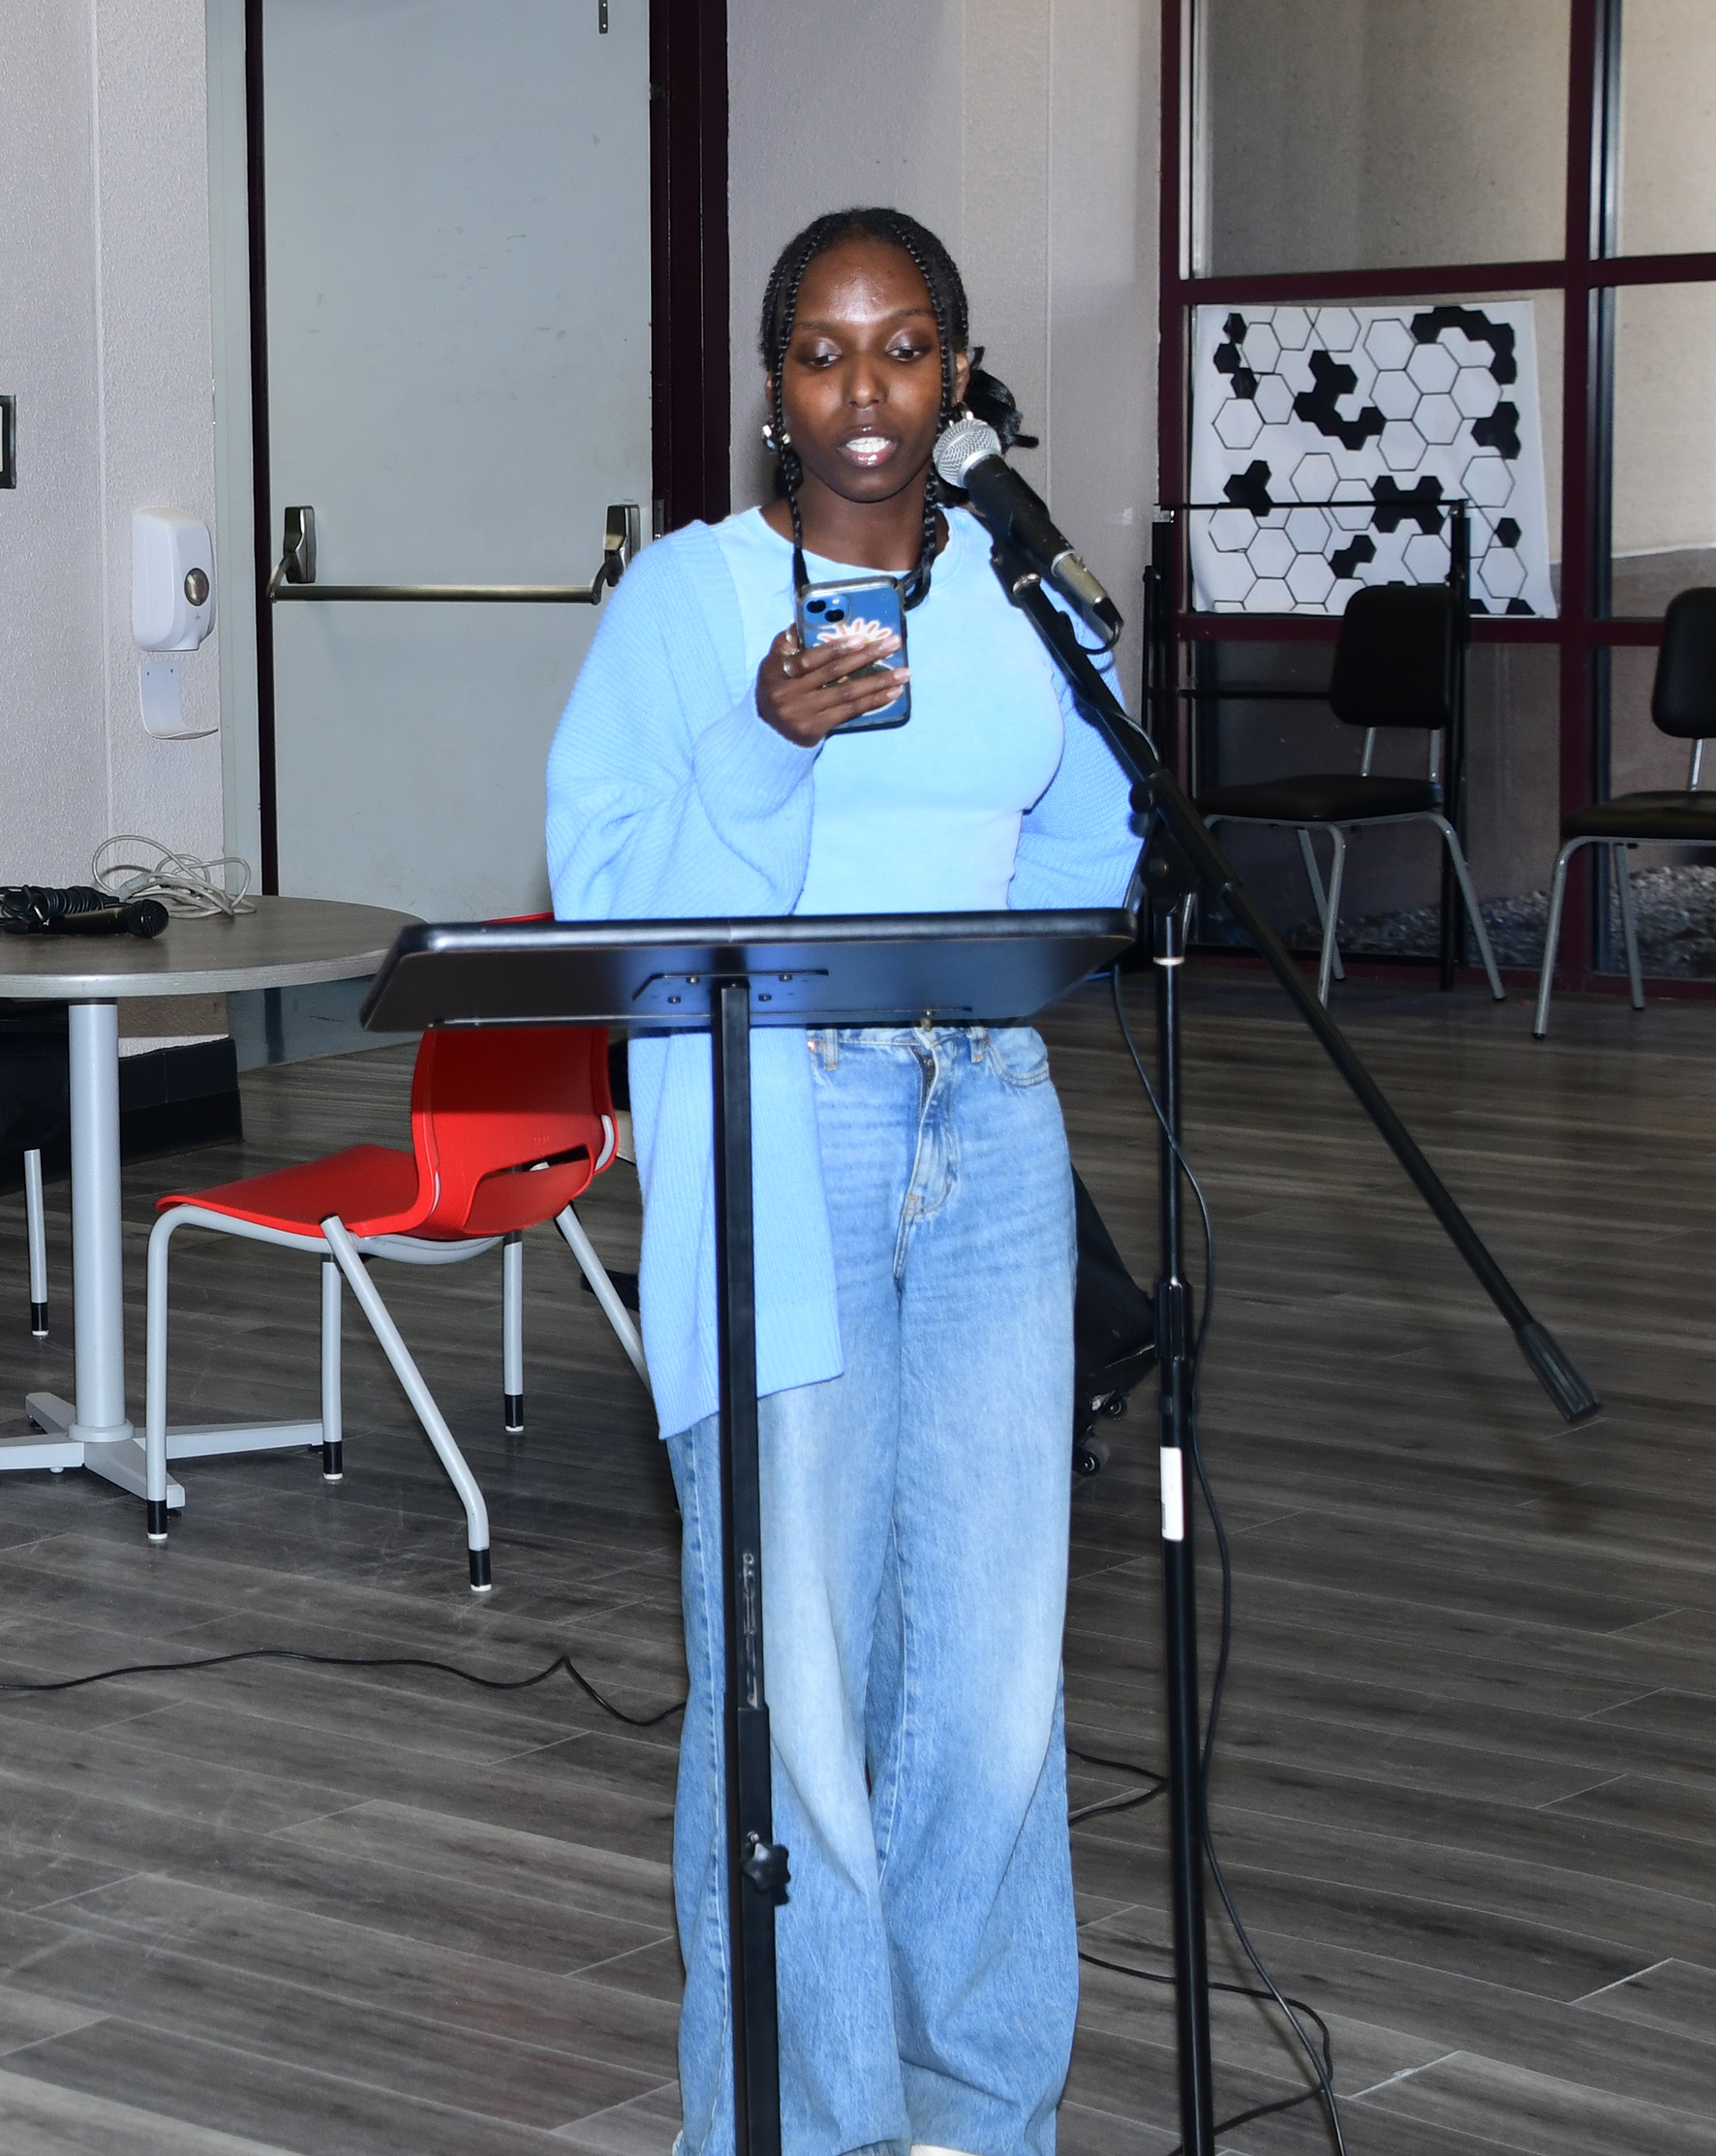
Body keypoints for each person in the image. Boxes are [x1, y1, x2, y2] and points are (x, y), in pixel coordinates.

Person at [546, 211, 1142, 2156]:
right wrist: (765, 748)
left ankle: (977, 2112)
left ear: (960, 375)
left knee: (989, 1680)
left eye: (904, 351)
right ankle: (803, 2131)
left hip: (992, 1127)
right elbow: (611, 901)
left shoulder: (1027, 600)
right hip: (782, 1127)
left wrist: (1113, 785)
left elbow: (1086, 858)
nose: (864, 392)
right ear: (774, 388)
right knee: (797, 1676)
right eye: (821, 352)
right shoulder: (696, 604)